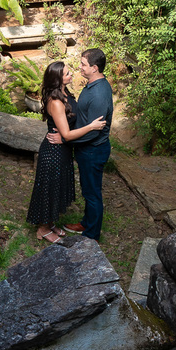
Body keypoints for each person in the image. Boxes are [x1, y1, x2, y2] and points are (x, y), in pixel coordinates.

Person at [25, 61, 108, 244]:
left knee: (57, 189)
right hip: (53, 152)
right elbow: (67, 134)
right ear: (57, 80)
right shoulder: (55, 102)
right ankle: (43, 229)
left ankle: (51, 223)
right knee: (49, 190)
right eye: (67, 74)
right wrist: (91, 127)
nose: (72, 74)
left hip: (62, 151)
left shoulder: (65, 93)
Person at [72, 48, 114, 242]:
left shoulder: (98, 95)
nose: (79, 67)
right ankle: (86, 223)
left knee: (92, 193)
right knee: (88, 190)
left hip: (92, 150)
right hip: (87, 150)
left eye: (83, 64)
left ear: (95, 68)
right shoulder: (92, 84)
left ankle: (91, 236)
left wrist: (67, 139)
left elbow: (93, 131)